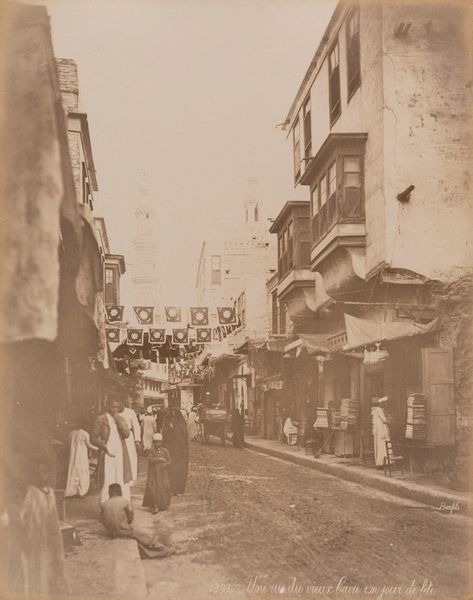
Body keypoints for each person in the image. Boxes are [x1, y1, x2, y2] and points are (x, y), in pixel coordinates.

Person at [101, 483, 175, 559]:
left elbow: (102, 520)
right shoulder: (124, 501)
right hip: (123, 531)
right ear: (120, 492)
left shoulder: (104, 504)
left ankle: (159, 548)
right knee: (144, 537)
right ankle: (162, 549)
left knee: (140, 539)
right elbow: (130, 519)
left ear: (109, 493)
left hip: (111, 532)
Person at [91, 394, 133, 504]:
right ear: (107, 405)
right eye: (112, 407)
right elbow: (93, 438)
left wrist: (118, 419)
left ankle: (124, 507)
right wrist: (105, 446)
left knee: (122, 480)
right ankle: (105, 508)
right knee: (107, 480)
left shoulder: (121, 418)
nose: (115, 409)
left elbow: (127, 434)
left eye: (117, 407)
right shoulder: (100, 419)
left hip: (121, 453)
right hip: (107, 454)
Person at [65, 417, 98, 498]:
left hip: (72, 456)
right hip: (81, 456)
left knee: (73, 472)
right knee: (82, 472)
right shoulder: (84, 433)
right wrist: (98, 448)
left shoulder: (70, 433)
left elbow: (68, 445)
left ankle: (71, 491)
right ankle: (81, 492)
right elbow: (88, 445)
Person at [142, 433, 172, 514]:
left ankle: (163, 504)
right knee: (153, 488)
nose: (157, 444)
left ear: (161, 442)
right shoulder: (151, 451)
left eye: (159, 442)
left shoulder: (165, 451)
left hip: (162, 473)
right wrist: (160, 459)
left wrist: (165, 464)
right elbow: (150, 460)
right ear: (153, 442)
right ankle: (154, 505)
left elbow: (169, 460)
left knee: (163, 487)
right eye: (155, 442)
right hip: (153, 473)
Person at [162, 408, 189, 496]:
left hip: (180, 452)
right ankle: (170, 488)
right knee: (170, 469)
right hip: (170, 451)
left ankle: (178, 489)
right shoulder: (168, 424)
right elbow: (164, 437)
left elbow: (184, 439)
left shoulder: (182, 425)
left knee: (179, 470)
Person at [118, 401, 141, 482]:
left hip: (129, 437)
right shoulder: (114, 412)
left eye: (120, 403)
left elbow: (136, 426)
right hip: (117, 437)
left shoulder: (130, 412)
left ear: (123, 403)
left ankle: (131, 477)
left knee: (131, 456)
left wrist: (137, 440)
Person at [371, 396, 391, 468]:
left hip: (378, 432)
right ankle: (383, 463)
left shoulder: (376, 411)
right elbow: (384, 420)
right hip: (382, 431)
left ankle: (381, 463)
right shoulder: (379, 410)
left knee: (380, 447)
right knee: (383, 447)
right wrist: (390, 421)